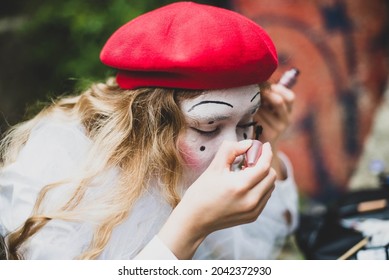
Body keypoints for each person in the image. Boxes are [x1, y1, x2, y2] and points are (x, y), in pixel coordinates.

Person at [0, 1, 298, 260]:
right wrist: (189, 229)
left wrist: (267, 142)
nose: (234, 148)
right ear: (149, 122)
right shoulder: (63, 171)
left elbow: (256, 250)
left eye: (247, 123)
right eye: (209, 127)